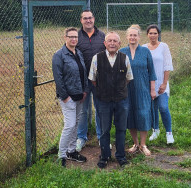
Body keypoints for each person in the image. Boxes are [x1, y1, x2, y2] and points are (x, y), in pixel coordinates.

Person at [89, 31, 133, 168]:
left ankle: (120, 156)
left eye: (115, 41)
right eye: (110, 41)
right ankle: (105, 156)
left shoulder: (125, 58)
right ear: (105, 43)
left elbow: (128, 79)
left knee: (121, 128)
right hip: (103, 100)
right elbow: (93, 80)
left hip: (121, 100)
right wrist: (106, 90)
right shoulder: (97, 58)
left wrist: (117, 90)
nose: (112, 43)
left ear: (119, 44)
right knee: (104, 130)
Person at [52, 27, 89, 167]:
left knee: (76, 124)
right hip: (68, 97)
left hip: (80, 95)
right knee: (69, 125)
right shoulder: (59, 55)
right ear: (65, 37)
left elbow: (83, 73)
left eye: (76, 37)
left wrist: (85, 91)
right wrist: (65, 96)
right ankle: (61, 155)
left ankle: (72, 151)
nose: (73, 39)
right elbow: (58, 78)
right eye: (71, 37)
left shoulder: (78, 53)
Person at [120, 25, 156, 156]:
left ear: (139, 37)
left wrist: (152, 90)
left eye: (135, 35)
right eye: (130, 35)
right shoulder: (122, 52)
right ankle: (135, 144)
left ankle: (143, 144)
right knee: (130, 115)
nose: (132, 37)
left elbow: (152, 72)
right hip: (127, 89)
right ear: (127, 37)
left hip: (143, 89)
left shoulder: (145, 52)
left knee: (143, 114)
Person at [75, 10, 107, 152]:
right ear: (81, 20)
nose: (88, 20)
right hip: (83, 81)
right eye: (85, 18)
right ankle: (81, 137)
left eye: (90, 18)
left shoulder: (102, 36)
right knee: (83, 110)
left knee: (100, 109)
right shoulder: (76, 36)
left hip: (99, 80)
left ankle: (101, 137)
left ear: (94, 19)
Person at [143, 24, 175, 144]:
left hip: (161, 84)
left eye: (155, 33)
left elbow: (167, 65)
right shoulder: (144, 48)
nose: (152, 35)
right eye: (150, 33)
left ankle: (169, 133)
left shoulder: (163, 46)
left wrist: (164, 83)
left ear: (158, 34)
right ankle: (155, 130)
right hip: (148, 84)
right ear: (147, 34)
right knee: (152, 109)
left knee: (163, 107)